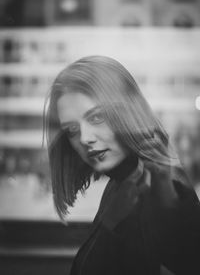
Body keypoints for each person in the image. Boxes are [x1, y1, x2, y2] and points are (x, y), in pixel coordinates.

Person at [45, 55, 200, 275]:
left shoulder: (160, 191)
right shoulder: (126, 182)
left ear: (126, 113)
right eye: (72, 129)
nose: (85, 138)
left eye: (97, 117)